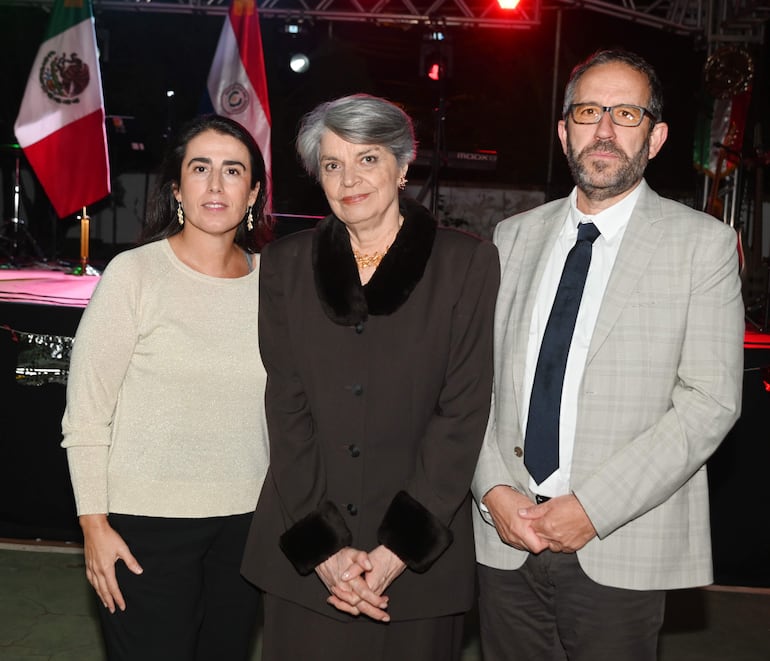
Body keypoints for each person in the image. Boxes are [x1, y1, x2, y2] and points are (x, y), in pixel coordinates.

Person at [472, 49, 744, 660]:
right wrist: (491, 489)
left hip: (622, 541)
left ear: (656, 136)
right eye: (589, 111)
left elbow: (711, 401)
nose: (604, 130)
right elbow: (472, 383)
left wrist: (592, 510)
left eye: (627, 114)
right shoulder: (511, 237)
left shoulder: (703, 245)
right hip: (506, 536)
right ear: (564, 130)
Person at [241, 93, 499, 660]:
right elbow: (286, 410)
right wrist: (325, 549)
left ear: (403, 167)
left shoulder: (466, 263)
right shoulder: (283, 265)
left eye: (368, 159)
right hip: (306, 566)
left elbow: (462, 414)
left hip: (419, 567)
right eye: (333, 164)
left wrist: (396, 550)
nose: (349, 178)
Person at [61, 114, 270, 660]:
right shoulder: (134, 275)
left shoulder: (275, 286)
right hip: (144, 530)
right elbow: (85, 415)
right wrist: (93, 525)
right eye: (200, 169)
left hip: (246, 528)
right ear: (178, 188)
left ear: (253, 193)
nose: (216, 184)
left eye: (233, 171)